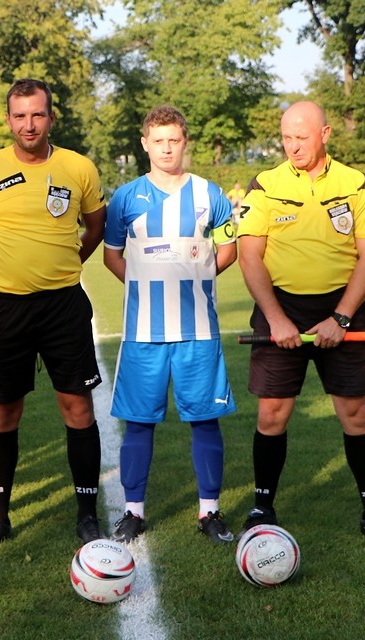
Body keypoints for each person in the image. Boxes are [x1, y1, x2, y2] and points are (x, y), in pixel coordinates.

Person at [236, 100, 365, 547]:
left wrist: (341, 317)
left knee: (356, 413)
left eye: (302, 137)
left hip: (342, 308)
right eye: (286, 138)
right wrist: (276, 318)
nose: (293, 146)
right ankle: (262, 508)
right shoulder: (264, 185)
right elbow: (249, 256)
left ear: (325, 134)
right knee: (272, 414)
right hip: (281, 309)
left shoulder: (356, 183)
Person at [0, 78, 107, 552]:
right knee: (3, 411)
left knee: (77, 408)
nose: (29, 124)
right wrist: (4, 263)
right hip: (8, 307)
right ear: (8, 120)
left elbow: (95, 226)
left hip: (64, 306)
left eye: (37, 114)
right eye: (20, 115)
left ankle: (87, 515)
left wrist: (65, 263)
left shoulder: (78, 167)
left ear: (51, 117)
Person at [103, 105, 238, 545]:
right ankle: (133, 512)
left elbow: (229, 249)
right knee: (138, 421)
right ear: (145, 144)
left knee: (206, 420)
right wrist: (143, 285)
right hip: (143, 331)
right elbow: (111, 255)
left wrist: (198, 279)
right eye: (158, 141)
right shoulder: (125, 197)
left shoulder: (209, 194)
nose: (166, 148)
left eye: (173, 140)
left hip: (198, 329)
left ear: (184, 143)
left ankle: (209, 511)